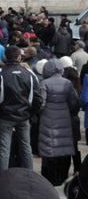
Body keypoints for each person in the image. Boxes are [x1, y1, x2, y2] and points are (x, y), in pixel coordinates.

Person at [0, 45, 42, 173]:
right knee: (25, 146)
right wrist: (30, 113)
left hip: (6, 116)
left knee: (4, 148)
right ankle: (29, 175)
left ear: (5, 57)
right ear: (19, 57)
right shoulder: (29, 74)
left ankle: (2, 179)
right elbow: (38, 98)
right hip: (23, 115)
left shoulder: (0, 74)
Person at [39, 58, 79, 186]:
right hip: (64, 118)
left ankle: (49, 179)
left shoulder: (44, 83)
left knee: (49, 147)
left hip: (47, 119)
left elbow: (41, 104)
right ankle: (62, 177)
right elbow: (74, 103)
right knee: (63, 146)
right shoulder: (67, 83)